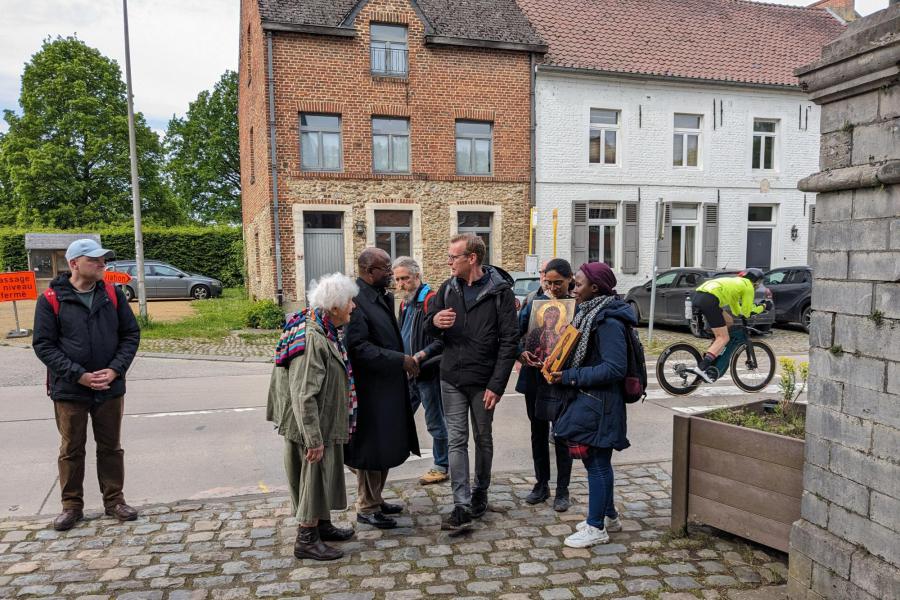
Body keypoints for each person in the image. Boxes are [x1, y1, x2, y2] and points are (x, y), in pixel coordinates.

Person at [32, 239, 141, 531]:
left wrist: (116, 370)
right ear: (74, 264)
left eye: (103, 259)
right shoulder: (51, 299)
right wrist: (77, 374)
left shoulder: (112, 294)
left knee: (111, 447)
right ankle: (71, 506)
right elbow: (43, 345)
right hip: (70, 389)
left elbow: (130, 335)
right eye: (94, 260)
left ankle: (114, 501)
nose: (101, 264)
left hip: (109, 388)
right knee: (71, 448)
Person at [425, 233, 518, 531]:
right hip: (451, 376)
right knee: (456, 439)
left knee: (483, 438)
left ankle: (481, 492)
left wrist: (497, 385)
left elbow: (509, 341)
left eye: (454, 257)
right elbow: (430, 325)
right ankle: (460, 505)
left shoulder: (499, 292)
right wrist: (434, 322)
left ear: (472, 258)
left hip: (484, 380)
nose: (449, 262)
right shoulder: (447, 288)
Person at [267, 273, 359, 561]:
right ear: (334, 307)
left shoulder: (322, 326)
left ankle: (321, 525)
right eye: (349, 302)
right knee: (311, 477)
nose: (353, 307)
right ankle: (306, 539)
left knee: (321, 476)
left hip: (321, 419)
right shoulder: (312, 338)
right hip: (309, 424)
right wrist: (313, 439)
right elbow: (303, 394)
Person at [549, 262, 635, 548]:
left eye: (579, 284)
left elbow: (614, 369)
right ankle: (608, 515)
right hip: (594, 400)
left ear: (595, 288)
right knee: (599, 463)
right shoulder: (592, 313)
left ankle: (596, 527)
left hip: (600, 403)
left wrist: (569, 376)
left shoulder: (607, 321)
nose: (574, 289)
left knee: (597, 464)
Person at [344, 248, 420, 530]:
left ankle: (376, 498)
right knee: (371, 449)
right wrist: (399, 360)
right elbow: (359, 349)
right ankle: (367, 506)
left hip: (387, 386)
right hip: (370, 389)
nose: (390, 273)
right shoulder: (357, 300)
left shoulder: (379, 296)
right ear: (368, 271)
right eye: (385, 269)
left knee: (385, 445)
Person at [517, 258, 575, 512]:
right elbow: (516, 333)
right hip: (535, 377)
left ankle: (563, 489)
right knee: (537, 432)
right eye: (548, 282)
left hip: (562, 379)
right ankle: (541, 484)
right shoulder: (533, 303)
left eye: (558, 283)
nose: (552, 288)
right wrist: (521, 353)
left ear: (570, 279)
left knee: (562, 434)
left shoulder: (577, 306)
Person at [393, 256, 449, 486]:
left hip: (427, 372)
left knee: (435, 420)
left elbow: (444, 340)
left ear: (417, 276)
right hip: (408, 372)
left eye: (405, 278)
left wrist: (420, 356)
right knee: (399, 415)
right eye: (397, 279)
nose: (400, 284)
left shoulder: (431, 300)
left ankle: (441, 465)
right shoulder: (405, 303)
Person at [690, 269, 768, 383]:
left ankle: (714, 350)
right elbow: (747, 312)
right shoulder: (748, 286)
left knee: (729, 321)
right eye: (759, 283)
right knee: (724, 337)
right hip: (710, 300)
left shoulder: (736, 283)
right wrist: (763, 307)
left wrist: (748, 309)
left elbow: (737, 311)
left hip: (698, 296)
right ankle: (703, 367)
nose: (758, 285)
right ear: (755, 281)